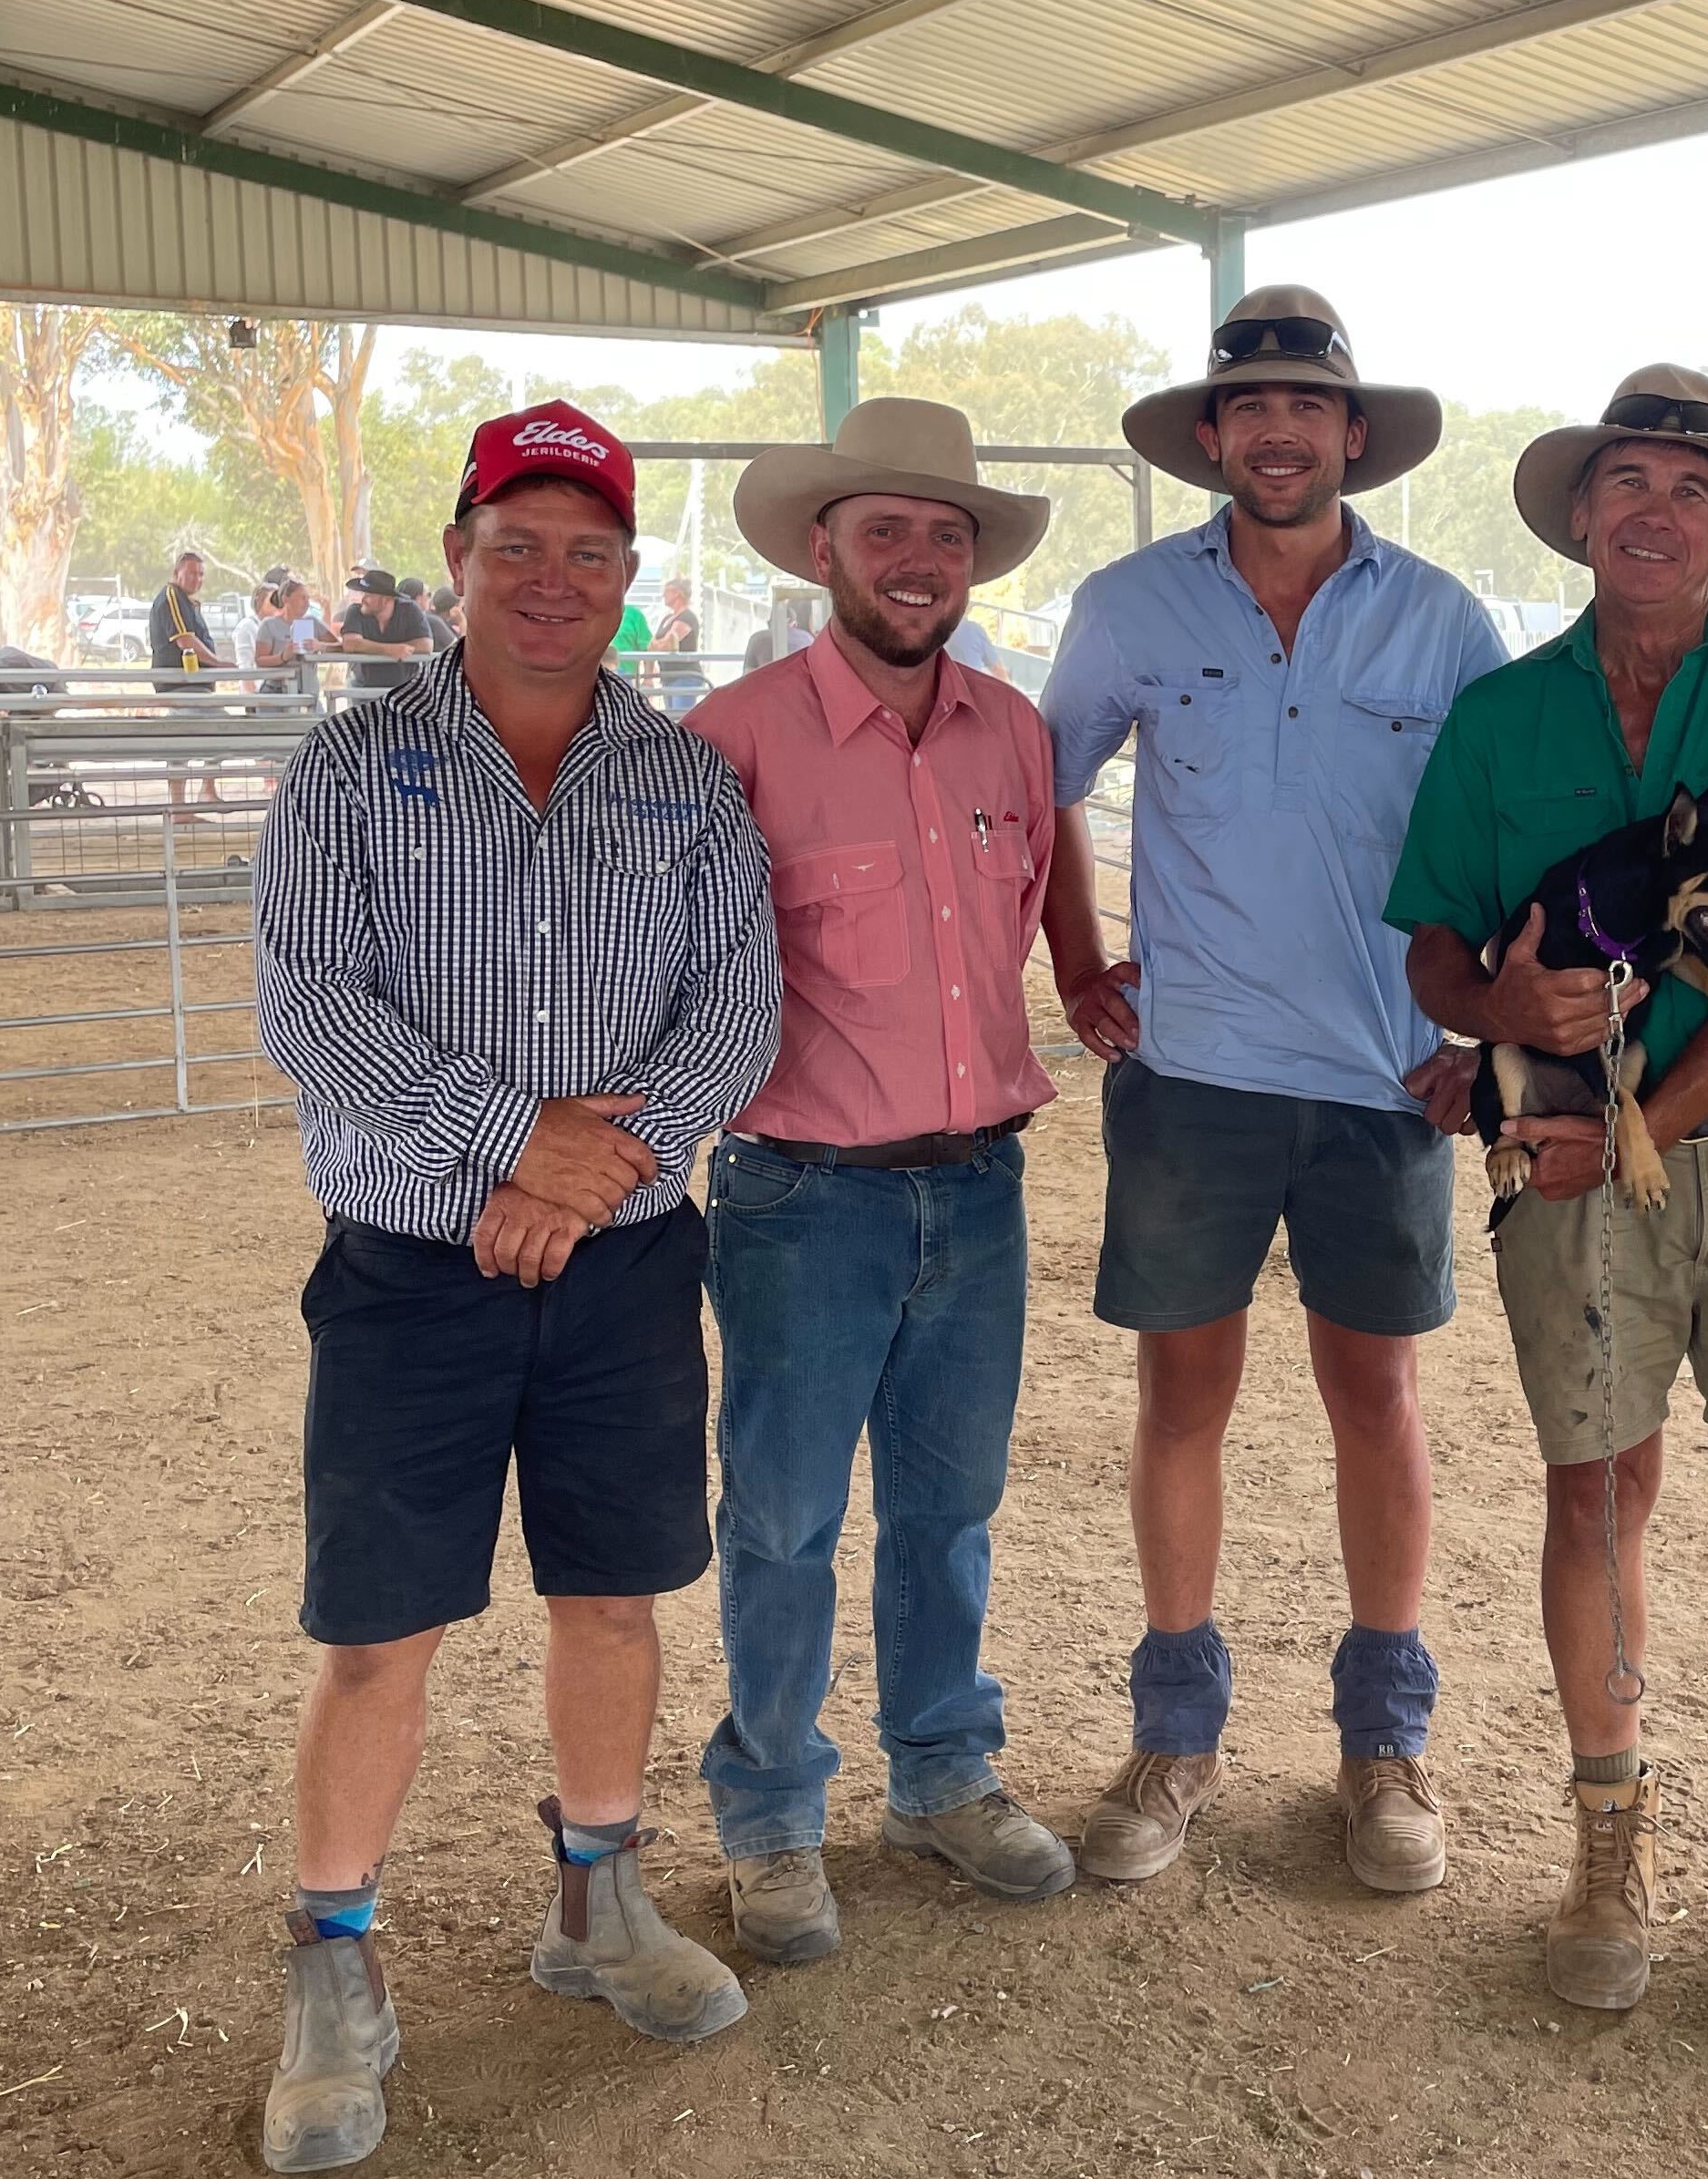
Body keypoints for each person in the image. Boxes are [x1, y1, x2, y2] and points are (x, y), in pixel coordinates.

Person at [247, 399, 780, 2175]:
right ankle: (334, 1956)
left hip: (621, 1264)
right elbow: (309, 1003)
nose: (552, 579)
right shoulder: (348, 762)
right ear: (458, 559)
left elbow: (737, 1010)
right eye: (516, 545)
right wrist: (508, 1148)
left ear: (627, 579)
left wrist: (592, 1171)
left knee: (613, 1596)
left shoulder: (683, 777)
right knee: (379, 1626)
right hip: (412, 1264)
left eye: (588, 551)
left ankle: (596, 1899)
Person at [1389, 365, 1708, 2045]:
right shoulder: (1500, 716)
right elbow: (1439, 950)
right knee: (1596, 1492)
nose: (1654, 514)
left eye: (1688, 490)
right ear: (1581, 517)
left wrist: (1633, 1134)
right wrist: (1494, 1018)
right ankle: (1607, 1841)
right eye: (1625, 484)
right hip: (1561, 1159)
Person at [1040, 286, 1505, 1896]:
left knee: (1375, 1401)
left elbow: (1500, 841)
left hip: (1389, 1083)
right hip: (1193, 1080)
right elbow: (1033, 789)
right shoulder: (1126, 608)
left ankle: (1384, 1739)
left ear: (1352, 435)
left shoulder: (1443, 622)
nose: (1278, 430)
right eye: (1249, 408)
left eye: (1308, 406)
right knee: (1182, 1402)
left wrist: (1488, 1038)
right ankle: (1175, 1732)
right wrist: (1077, 962)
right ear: (1212, 436)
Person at [686, 397, 1075, 1957]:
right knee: (781, 1518)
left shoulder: (1013, 729)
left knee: (950, 1504)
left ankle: (941, 1769)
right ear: (823, 547)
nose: (918, 560)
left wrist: (1093, 971)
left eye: (945, 534)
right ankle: (772, 1811)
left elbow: (1044, 888)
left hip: (978, 1186)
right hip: (802, 1193)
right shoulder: (732, 738)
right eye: (886, 530)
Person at [150, 551, 224, 810]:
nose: (197, 578)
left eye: (201, 574)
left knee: (214, 734)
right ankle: (185, 803)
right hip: (181, 686)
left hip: (194, 686)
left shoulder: (187, 602)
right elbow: (185, 641)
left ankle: (204, 790)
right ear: (177, 573)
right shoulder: (172, 596)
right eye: (192, 573)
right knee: (213, 733)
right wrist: (218, 663)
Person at [335, 568, 433, 691]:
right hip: (363, 690)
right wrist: (390, 650)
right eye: (364, 594)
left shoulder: (409, 610)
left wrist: (369, 646)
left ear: (386, 600)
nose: (363, 599)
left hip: (404, 691)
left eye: (369, 595)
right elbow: (350, 643)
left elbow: (426, 645)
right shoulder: (355, 611)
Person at [645, 579, 707, 713]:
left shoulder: (687, 617)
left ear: (677, 593)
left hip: (684, 676)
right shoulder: (667, 619)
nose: (664, 595)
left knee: (680, 718)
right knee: (671, 717)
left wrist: (657, 645)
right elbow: (651, 645)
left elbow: (667, 645)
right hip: (669, 677)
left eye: (666, 592)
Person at [402, 570, 457, 656]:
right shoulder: (432, 622)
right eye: (428, 594)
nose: (430, 598)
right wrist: (463, 623)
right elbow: (459, 650)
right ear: (418, 599)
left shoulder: (392, 622)